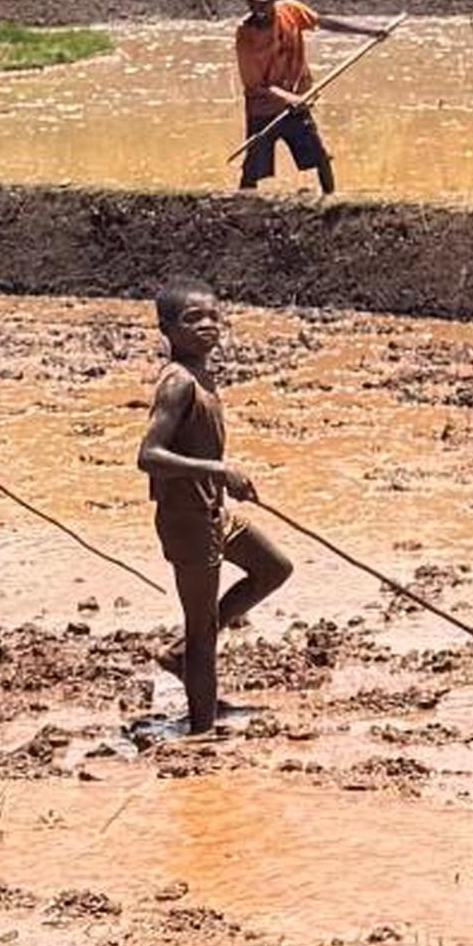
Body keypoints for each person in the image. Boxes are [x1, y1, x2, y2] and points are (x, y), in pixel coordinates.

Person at [136, 284, 296, 737]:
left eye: (212, 317)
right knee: (204, 629)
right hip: (186, 520)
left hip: (214, 512)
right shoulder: (178, 383)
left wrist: (218, 480)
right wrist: (218, 469)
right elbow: (148, 455)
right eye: (192, 319)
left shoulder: (202, 375)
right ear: (166, 329)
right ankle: (201, 734)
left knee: (274, 568)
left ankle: (182, 655)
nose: (206, 325)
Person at [231, 0, 391, 196]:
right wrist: (290, 98)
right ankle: (243, 208)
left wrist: (369, 31)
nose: (257, 8)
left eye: (262, 2)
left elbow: (324, 22)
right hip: (263, 110)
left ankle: (331, 201)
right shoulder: (245, 34)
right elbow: (256, 85)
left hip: (297, 105)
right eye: (252, 3)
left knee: (320, 157)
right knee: (253, 167)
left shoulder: (291, 11)